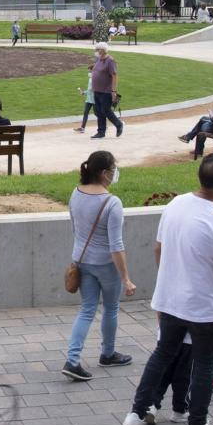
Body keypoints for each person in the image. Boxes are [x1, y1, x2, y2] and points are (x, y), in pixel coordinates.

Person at [122, 154, 213, 425]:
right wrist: (210, 283)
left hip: (170, 300)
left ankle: (137, 412)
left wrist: (172, 278)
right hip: (201, 307)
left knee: (163, 353)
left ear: (199, 177)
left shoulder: (175, 205)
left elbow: (159, 249)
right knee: (204, 364)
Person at [61, 151, 136, 381]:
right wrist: (126, 278)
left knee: (87, 309)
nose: (115, 173)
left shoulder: (76, 193)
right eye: (113, 169)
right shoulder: (112, 203)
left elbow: (75, 229)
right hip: (105, 264)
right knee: (111, 308)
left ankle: (72, 360)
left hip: (82, 261)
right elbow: (116, 245)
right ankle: (108, 353)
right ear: (104, 173)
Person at [89, 42, 123, 139]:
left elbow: (114, 75)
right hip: (97, 90)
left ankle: (118, 124)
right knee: (99, 111)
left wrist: (113, 91)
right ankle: (101, 132)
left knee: (106, 110)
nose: (96, 51)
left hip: (106, 91)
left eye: (98, 49)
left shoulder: (110, 61)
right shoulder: (99, 59)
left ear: (103, 50)